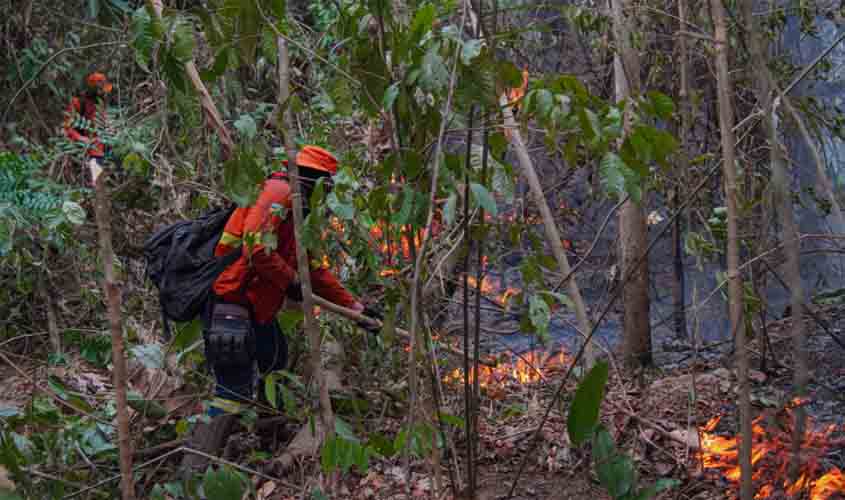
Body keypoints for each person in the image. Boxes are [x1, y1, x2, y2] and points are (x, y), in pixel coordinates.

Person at [184, 146, 372, 469]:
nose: (327, 195)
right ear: (314, 179)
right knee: (233, 390)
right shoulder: (279, 192)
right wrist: (290, 282)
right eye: (326, 186)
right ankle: (192, 471)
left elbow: (309, 268)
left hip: (258, 307)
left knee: (277, 362)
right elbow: (257, 248)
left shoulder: (297, 212)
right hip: (231, 300)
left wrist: (357, 308)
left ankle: (268, 443)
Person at [63, 72, 112, 184]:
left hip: (100, 145)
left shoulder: (101, 103)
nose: (103, 93)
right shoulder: (78, 102)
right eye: (100, 89)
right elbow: (67, 128)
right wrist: (81, 139)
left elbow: (102, 125)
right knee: (94, 177)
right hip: (83, 147)